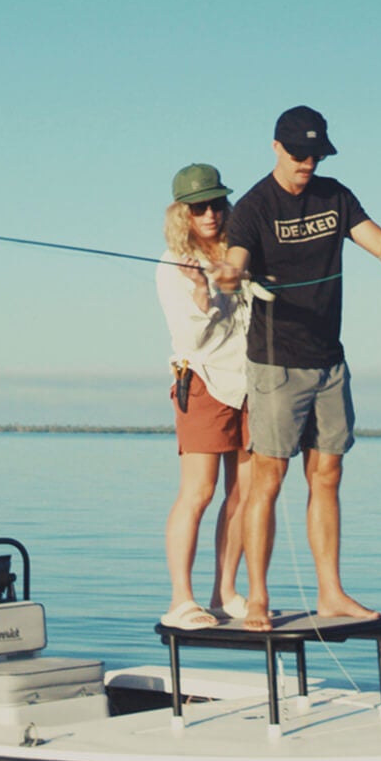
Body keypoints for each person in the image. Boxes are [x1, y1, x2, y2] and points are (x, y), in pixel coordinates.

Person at [212, 106, 381, 630]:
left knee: (327, 475)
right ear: (277, 148)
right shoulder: (255, 207)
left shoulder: (335, 196)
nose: (308, 162)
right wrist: (231, 274)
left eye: (317, 154)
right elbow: (234, 261)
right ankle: (256, 597)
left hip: (330, 361)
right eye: (300, 153)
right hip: (277, 363)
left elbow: (376, 241)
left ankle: (331, 593)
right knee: (269, 478)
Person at [156, 164, 253, 631]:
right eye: (199, 207)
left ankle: (225, 592)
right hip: (202, 382)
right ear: (183, 212)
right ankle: (181, 600)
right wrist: (201, 290)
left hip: (253, 383)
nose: (211, 213)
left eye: (216, 203)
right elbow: (191, 339)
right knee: (199, 491)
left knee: (245, 492)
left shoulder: (241, 253)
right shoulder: (170, 265)